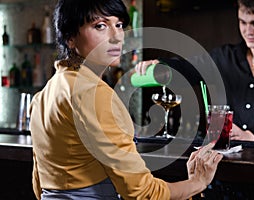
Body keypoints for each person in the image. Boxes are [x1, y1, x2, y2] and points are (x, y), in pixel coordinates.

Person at [29, 0, 223, 200]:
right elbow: (141, 193)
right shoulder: (93, 93)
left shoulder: (44, 94)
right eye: (100, 26)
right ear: (70, 37)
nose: (117, 37)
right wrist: (197, 183)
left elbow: (39, 184)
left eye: (119, 25)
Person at [137, 0, 254, 143]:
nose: (249, 31)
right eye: (243, 22)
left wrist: (251, 135)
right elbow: (188, 68)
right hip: (229, 158)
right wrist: (161, 65)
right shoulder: (224, 57)